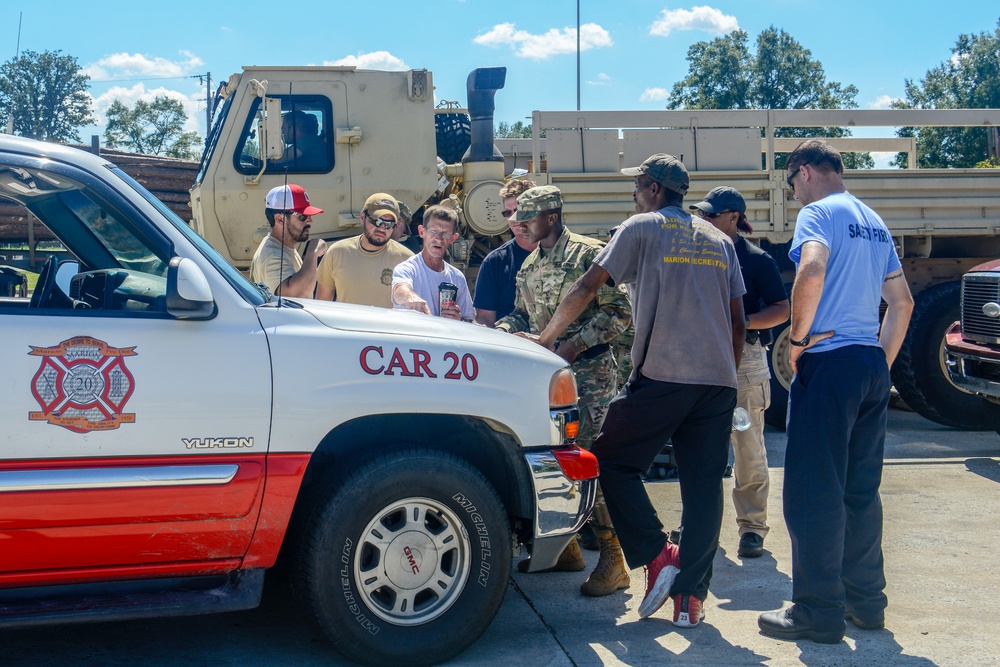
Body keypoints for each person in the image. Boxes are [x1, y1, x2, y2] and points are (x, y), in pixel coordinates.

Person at [534, 154, 746, 628]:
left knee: (607, 460)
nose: (634, 192)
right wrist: (727, 378)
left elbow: (589, 285)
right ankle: (691, 600)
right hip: (717, 382)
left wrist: (547, 340)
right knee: (704, 488)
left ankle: (656, 554)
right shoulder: (718, 239)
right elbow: (738, 320)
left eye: (638, 185)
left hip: (665, 375)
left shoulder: (640, 227)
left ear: (652, 188)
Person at [758, 140, 914, 643]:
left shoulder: (819, 214)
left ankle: (818, 611)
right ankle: (867, 604)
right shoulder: (875, 221)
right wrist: (878, 365)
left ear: (803, 172)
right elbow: (903, 303)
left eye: (791, 184)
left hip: (830, 365)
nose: (793, 194)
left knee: (812, 492)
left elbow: (812, 269)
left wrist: (798, 342)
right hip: (869, 362)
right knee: (859, 492)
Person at [495, 185, 632, 597]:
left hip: (589, 377)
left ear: (551, 216)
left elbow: (620, 312)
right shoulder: (529, 265)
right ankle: (567, 548)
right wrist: (503, 330)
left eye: (529, 216)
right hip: (549, 381)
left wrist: (574, 344)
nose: (520, 223)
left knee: (588, 463)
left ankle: (614, 560)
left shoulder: (588, 255)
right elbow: (522, 311)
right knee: (555, 462)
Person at [690, 186, 790, 559]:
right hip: (700, 359)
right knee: (699, 447)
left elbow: (783, 309)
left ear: (733, 217)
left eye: (710, 215)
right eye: (700, 214)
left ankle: (752, 528)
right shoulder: (693, 254)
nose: (702, 220)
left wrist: (743, 322)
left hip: (745, 362)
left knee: (747, 447)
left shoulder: (756, 259)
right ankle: (699, 525)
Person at [315, 193, 413, 307]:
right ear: (362, 217)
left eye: (388, 224)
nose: (382, 228)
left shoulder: (406, 260)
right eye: (377, 221)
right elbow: (321, 305)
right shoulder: (337, 252)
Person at [391, 205, 474, 321]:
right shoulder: (407, 269)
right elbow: (399, 290)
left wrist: (458, 319)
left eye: (445, 234)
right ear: (421, 232)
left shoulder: (457, 277)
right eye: (434, 232)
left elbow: (469, 319)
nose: (438, 239)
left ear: (453, 238)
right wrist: (410, 297)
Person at [473, 178, 537, 326]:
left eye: (518, 210)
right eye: (508, 213)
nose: (513, 218)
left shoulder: (558, 254)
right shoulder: (495, 262)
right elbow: (484, 318)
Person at [249, 184, 327, 298]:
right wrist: (312, 253)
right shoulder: (272, 255)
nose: (310, 221)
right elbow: (298, 294)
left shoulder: (284, 247)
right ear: (280, 219)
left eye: (309, 215)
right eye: (302, 216)